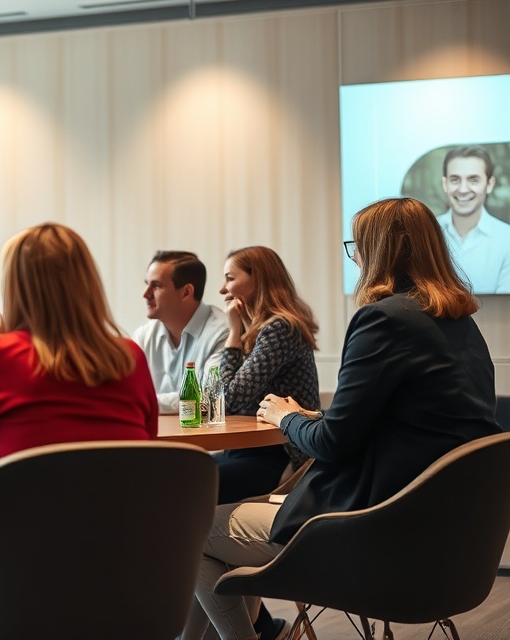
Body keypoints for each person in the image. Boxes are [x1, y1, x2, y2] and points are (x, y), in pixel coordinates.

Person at [182, 197, 500, 640]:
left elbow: (333, 444)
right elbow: (408, 421)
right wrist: (318, 417)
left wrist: (287, 417)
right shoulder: (461, 323)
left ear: (377, 251)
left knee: (193, 530)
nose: (355, 258)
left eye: (357, 246)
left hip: (371, 530)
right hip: (447, 539)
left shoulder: (382, 319)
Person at [0, 223, 159, 484]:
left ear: (15, 289)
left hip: (19, 523)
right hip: (120, 522)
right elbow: (145, 446)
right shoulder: (130, 357)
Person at [215, 246, 321, 504]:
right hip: (247, 450)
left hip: (276, 455)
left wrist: (232, 333)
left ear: (258, 279)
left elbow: (228, 399)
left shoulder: (281, 328)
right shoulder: (263, 329)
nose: (222, 289)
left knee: (183, 482)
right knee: (174, 474)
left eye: (230, 278)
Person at [133, 251, 228, 414]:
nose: (145, 294)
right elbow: (129, 393)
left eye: (155, 286)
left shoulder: (222, 332)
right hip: (155, 436)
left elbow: (209, 398)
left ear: (186, 292)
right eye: (147, 284)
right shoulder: (144, 336)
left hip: (204, 437)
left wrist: (146, 403)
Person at [436, 145, 510, 293]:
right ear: (445, 184)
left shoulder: (507, 239)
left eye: (473, 180)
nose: (463, 189)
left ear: (489, 184)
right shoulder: (425, 232)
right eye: (455, 179)